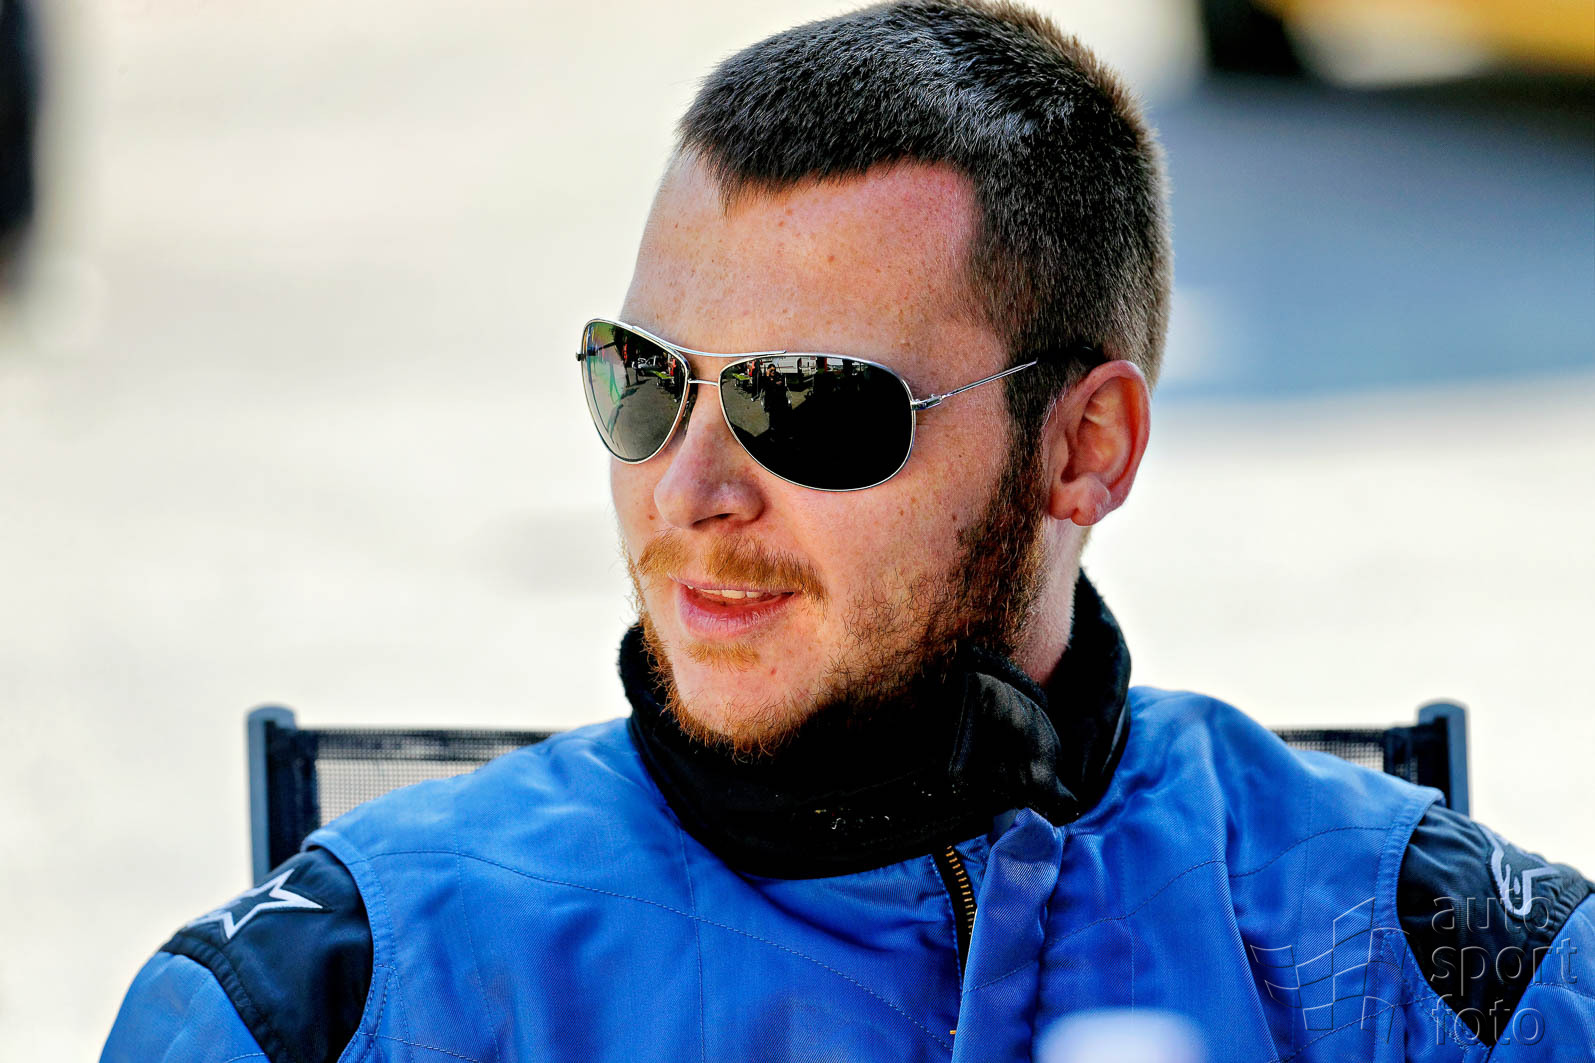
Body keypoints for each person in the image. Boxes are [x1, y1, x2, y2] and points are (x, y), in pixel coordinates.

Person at [102, 2, 1593, 1060]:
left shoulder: (1433, 975)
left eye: (805, 404)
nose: (686, 493)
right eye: (642, 382)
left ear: (1086, 449)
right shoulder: (338, 1000)